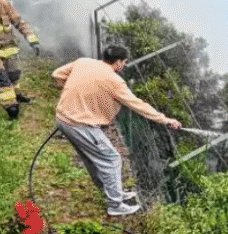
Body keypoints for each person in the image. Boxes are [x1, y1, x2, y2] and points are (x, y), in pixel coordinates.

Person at [52, 45, 182, 216]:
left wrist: (77, 93)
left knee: (92, 159)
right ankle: (115, 204)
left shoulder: (83, 62)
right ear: (118, 62)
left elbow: (57, 75)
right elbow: (138, 105)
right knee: (111, 159)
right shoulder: (115, 81)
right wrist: (166, 120)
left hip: (63, 119)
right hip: (80, 125)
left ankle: (113, 191)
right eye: (124, 62)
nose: (124, 65)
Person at [0, 0, 40, 120]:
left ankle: (17, 95)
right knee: (2, 79)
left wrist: (32, 40)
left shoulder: (4, 4)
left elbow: (19, 23)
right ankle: (11, 106)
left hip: (8, 48)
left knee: (14, 74)